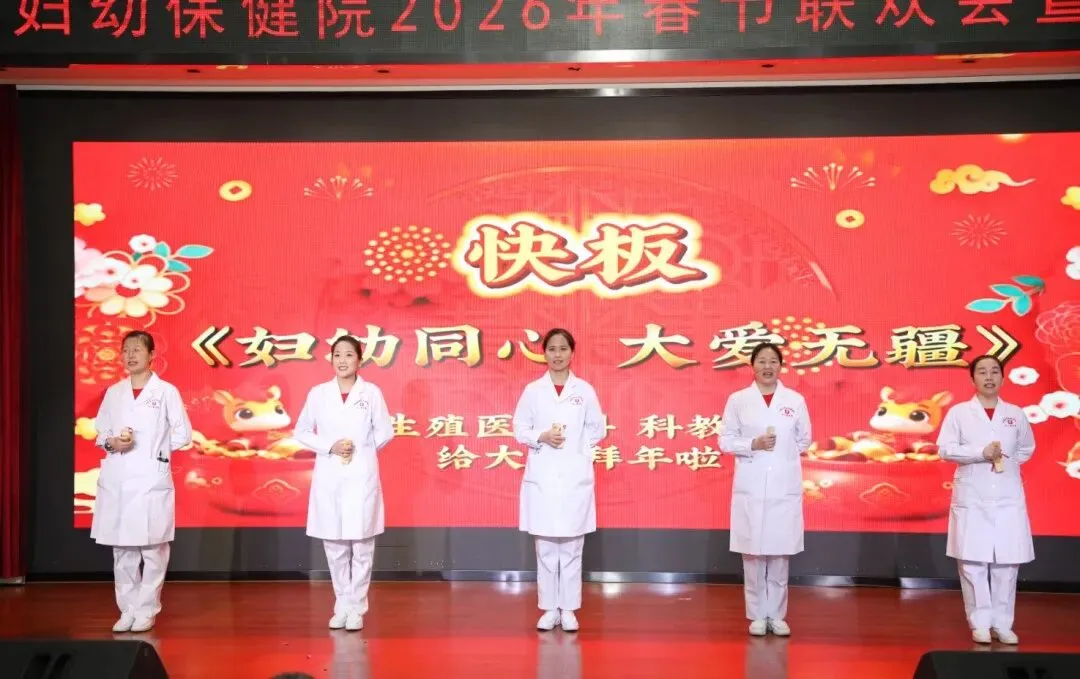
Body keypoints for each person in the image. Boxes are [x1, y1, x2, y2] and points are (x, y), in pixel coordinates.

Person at [91, 330, 192, 633]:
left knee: (152, 549)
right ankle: (128, 609)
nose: (130, 355)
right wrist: (112, 443)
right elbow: (100, 432)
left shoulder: (166, 392)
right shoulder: (114, 393)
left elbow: (183, 434)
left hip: (150, 479)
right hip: (119, 478)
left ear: (151, 355)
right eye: (126, 350)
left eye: (137, 349)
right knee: (123, 549)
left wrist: (155, 453)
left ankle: (147, 609)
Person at [295, 335, 394, 632]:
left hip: (361, 475)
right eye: (337, 354)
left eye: (349, 354)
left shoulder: (371, 393)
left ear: (359, 360)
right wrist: (330, 446)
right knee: (335, 544)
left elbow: (385, 432)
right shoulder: (318, 393)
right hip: (330, 474)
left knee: (362, 545)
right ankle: (342, 605)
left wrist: (361, 451)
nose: (342, 360)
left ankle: (357, 608)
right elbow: (302, 431)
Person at [513, 328, 606, 632]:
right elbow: (519, 428)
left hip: (574, 478)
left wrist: (578, 452)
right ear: (544, 353)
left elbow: (597, 429)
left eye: (563, 348)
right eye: (552, 349)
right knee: (545, 549)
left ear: (572, 352)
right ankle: (549, 608)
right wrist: (541, 436)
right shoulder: (533, 391)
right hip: (542, 477)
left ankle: (568, 609)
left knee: (571, 548)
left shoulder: (584, 391)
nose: (557, 354)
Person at [937, 354, 1034, 645]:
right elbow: (945, 449)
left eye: (994, 371)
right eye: (982, 372)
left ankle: (1003, 624)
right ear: (973, 378)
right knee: (973, 562)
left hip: (1007, 495)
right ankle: (979, 623)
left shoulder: (1015, 413)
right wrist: (980, 454)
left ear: (1002, 377)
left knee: (1007, 562)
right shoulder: (959, 413)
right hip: (973, 495)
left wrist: (1004, 462)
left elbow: (1026, 448)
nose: (989, 377)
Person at [718, 342, 810, 637]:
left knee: (780, 554)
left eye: (773, 361)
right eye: (761, 361)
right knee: (753, 555)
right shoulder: (738, 400)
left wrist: (782, 458)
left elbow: (804, 439)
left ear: (780, 366)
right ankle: (757, 615)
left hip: (784, 485)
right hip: (752, 484)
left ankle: (777, 615)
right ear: (752, 365)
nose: (767, 366)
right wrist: (752, 445)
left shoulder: (794, 400)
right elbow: (725, 440)